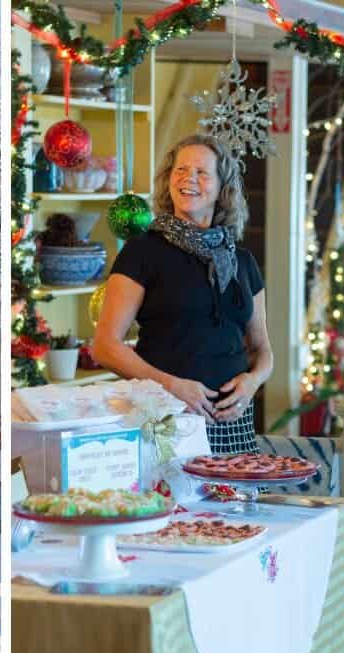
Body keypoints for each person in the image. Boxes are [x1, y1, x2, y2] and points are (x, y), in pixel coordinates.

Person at [91, 134, 272, 453]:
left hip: (235, 426)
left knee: (237, 504)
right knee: (172, 503)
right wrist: (171, 386)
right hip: (168, 417)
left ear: (222, 188)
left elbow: (262, 351)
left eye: (202, 172)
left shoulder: (243, 262)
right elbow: (105, 347)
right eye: (181, 170)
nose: (189, 179)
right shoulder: (142, 251)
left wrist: (252, 382)